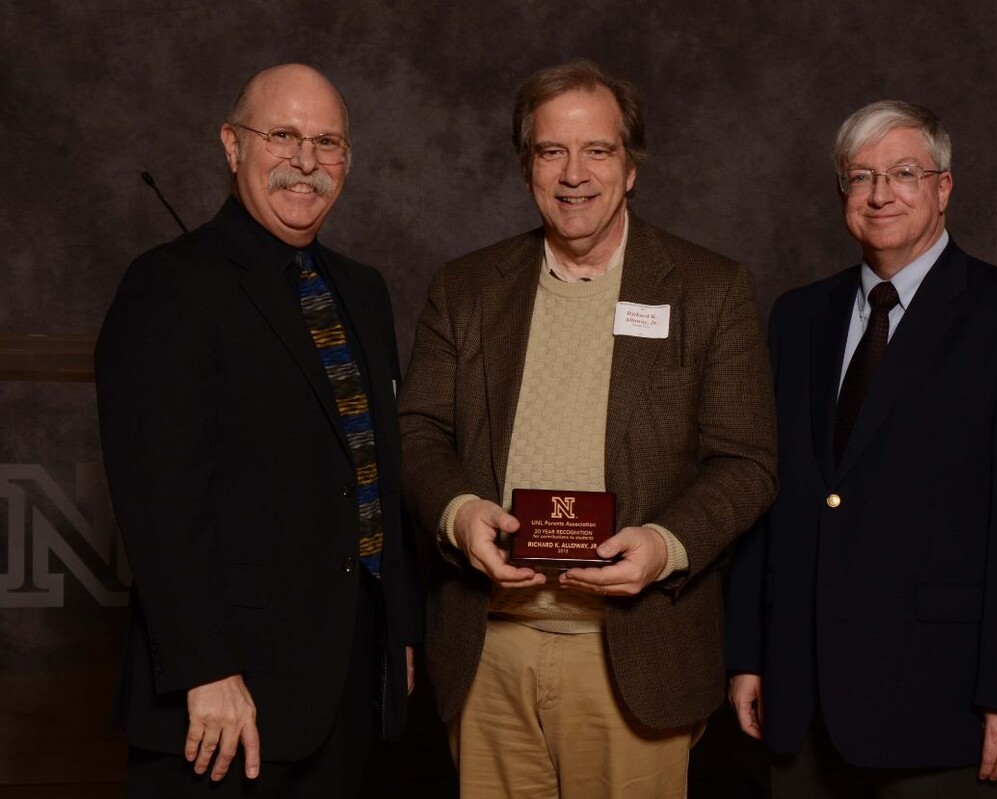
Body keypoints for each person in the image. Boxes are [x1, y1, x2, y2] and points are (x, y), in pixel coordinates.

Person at [398, 58, 777, 798]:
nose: (575, 174)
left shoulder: (709, 289)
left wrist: (666, 546)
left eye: (597, 150)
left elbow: (747, 461)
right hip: (489, 656)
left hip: (634, 654)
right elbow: (416, 432)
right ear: (526, 166)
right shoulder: (465, 288)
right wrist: (458, 512)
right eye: (551, 151)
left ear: (630, 167)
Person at [724, 100, 997, 797]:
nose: (881, 192)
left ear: (943, 187)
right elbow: (767, 497)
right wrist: (750, 654)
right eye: (861, 176)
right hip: (802, 699)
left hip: (942, 706)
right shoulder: (798, 317)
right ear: (843, 195)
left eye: (904, 172)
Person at [96, 63, 421, 796]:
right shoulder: (171, 285)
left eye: (327, 142)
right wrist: (204, 667)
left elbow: (374, 471)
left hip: (345, 685)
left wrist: (393, 628)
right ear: (231, 144)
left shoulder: (362, 290)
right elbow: (157, 499)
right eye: (282, 135)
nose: (306, 161)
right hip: (221, 701)